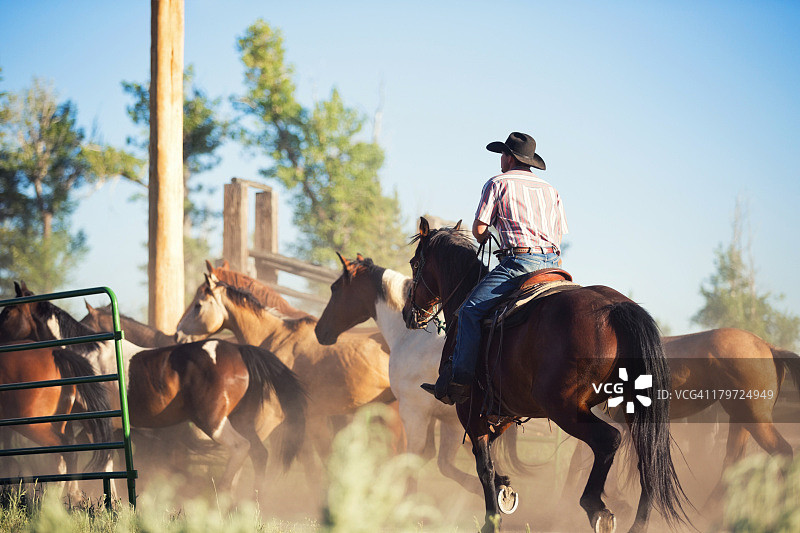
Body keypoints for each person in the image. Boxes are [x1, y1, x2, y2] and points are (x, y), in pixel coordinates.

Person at [428, 131, 568, 404]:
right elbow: (559, 235)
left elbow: (479, 230)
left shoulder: (497, 183)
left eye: (502, 154)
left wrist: (486, 236)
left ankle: (461, 379)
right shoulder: (552, 190)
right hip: (553, 264)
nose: (500, 160)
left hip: (519, 263)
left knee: (468, 311)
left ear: (508, 157)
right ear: (529, 161)